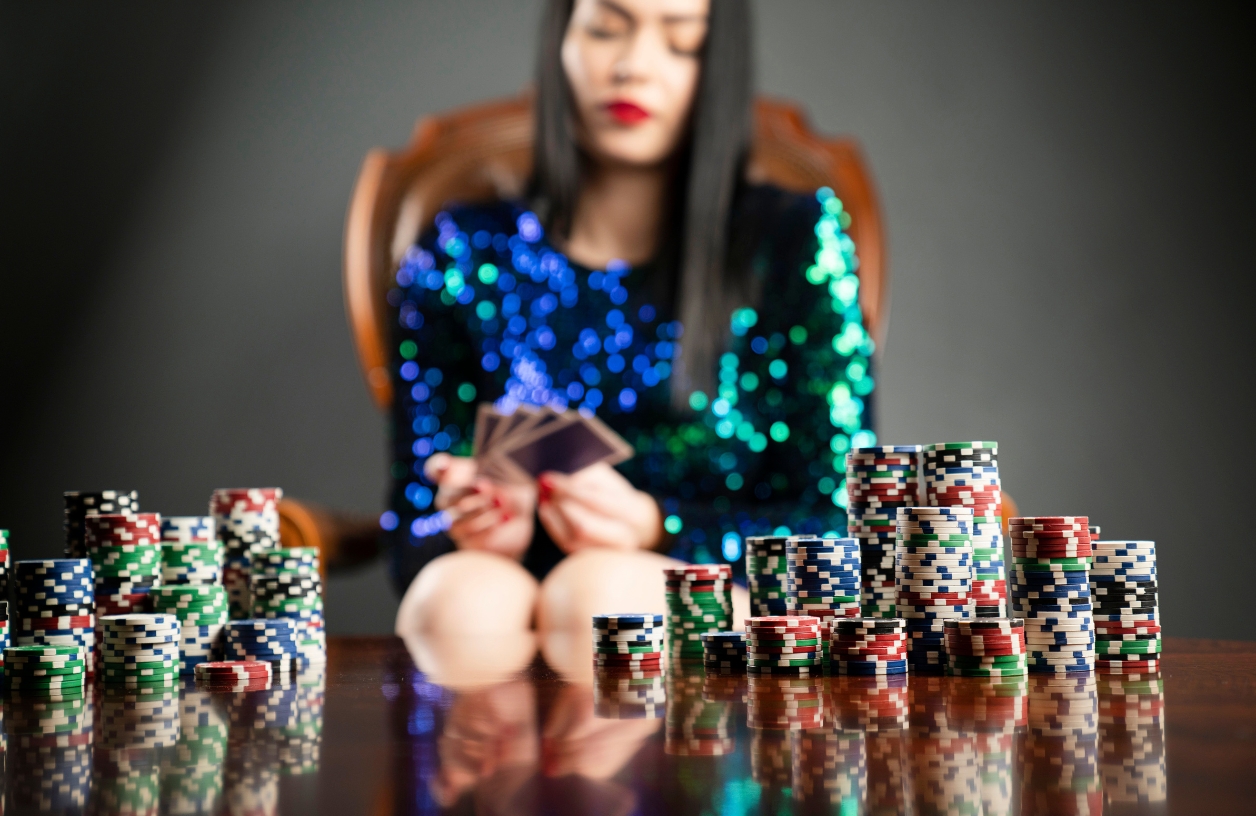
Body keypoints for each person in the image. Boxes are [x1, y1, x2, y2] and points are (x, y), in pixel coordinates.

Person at [389, 0, 876, 636]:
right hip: (505, 600)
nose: (633, 66)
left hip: (707, 600)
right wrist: (472, 523)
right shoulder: (457, 252)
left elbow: (841, 532)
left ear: (719, 67)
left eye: (681, 41)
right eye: (605, 29)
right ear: (559, 41)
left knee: (600, 596)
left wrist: (660, 525)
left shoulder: (793, 242)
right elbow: (411, 523)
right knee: (455, 606)